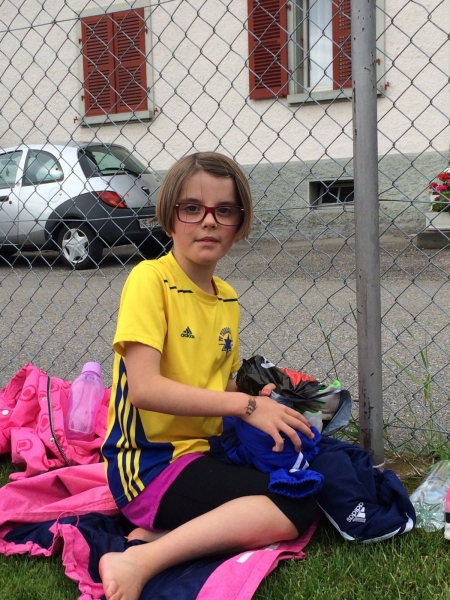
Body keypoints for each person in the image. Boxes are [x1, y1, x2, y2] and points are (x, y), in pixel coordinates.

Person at [100, 152, 317, 600]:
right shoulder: (150, 279)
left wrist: (259, 397)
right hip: (150, 467)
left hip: (202, 452)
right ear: (170, 216)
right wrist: (246, 406)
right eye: (192, 208)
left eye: (225, 210)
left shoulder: (227, 297)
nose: (209, 221)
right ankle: (139, 561)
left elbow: (218, 385)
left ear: (239, 222)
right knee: (294, 501)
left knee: (301, 482)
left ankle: (163, 536)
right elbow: (144, 389)